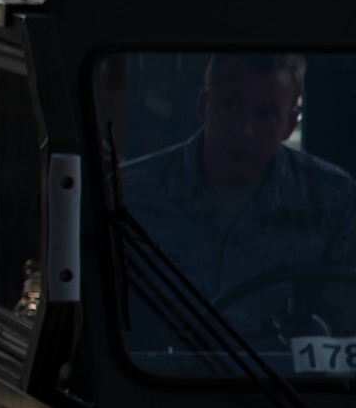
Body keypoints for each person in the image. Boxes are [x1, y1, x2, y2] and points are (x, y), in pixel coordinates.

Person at [119, 53, 356, 340]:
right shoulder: (131, 192)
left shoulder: (331, 199)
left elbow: (343, 327)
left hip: (279, 383)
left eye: (266, 113)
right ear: (203, 106)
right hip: (155, 381)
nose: (245, 130)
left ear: (290, 124)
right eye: (231, 106)